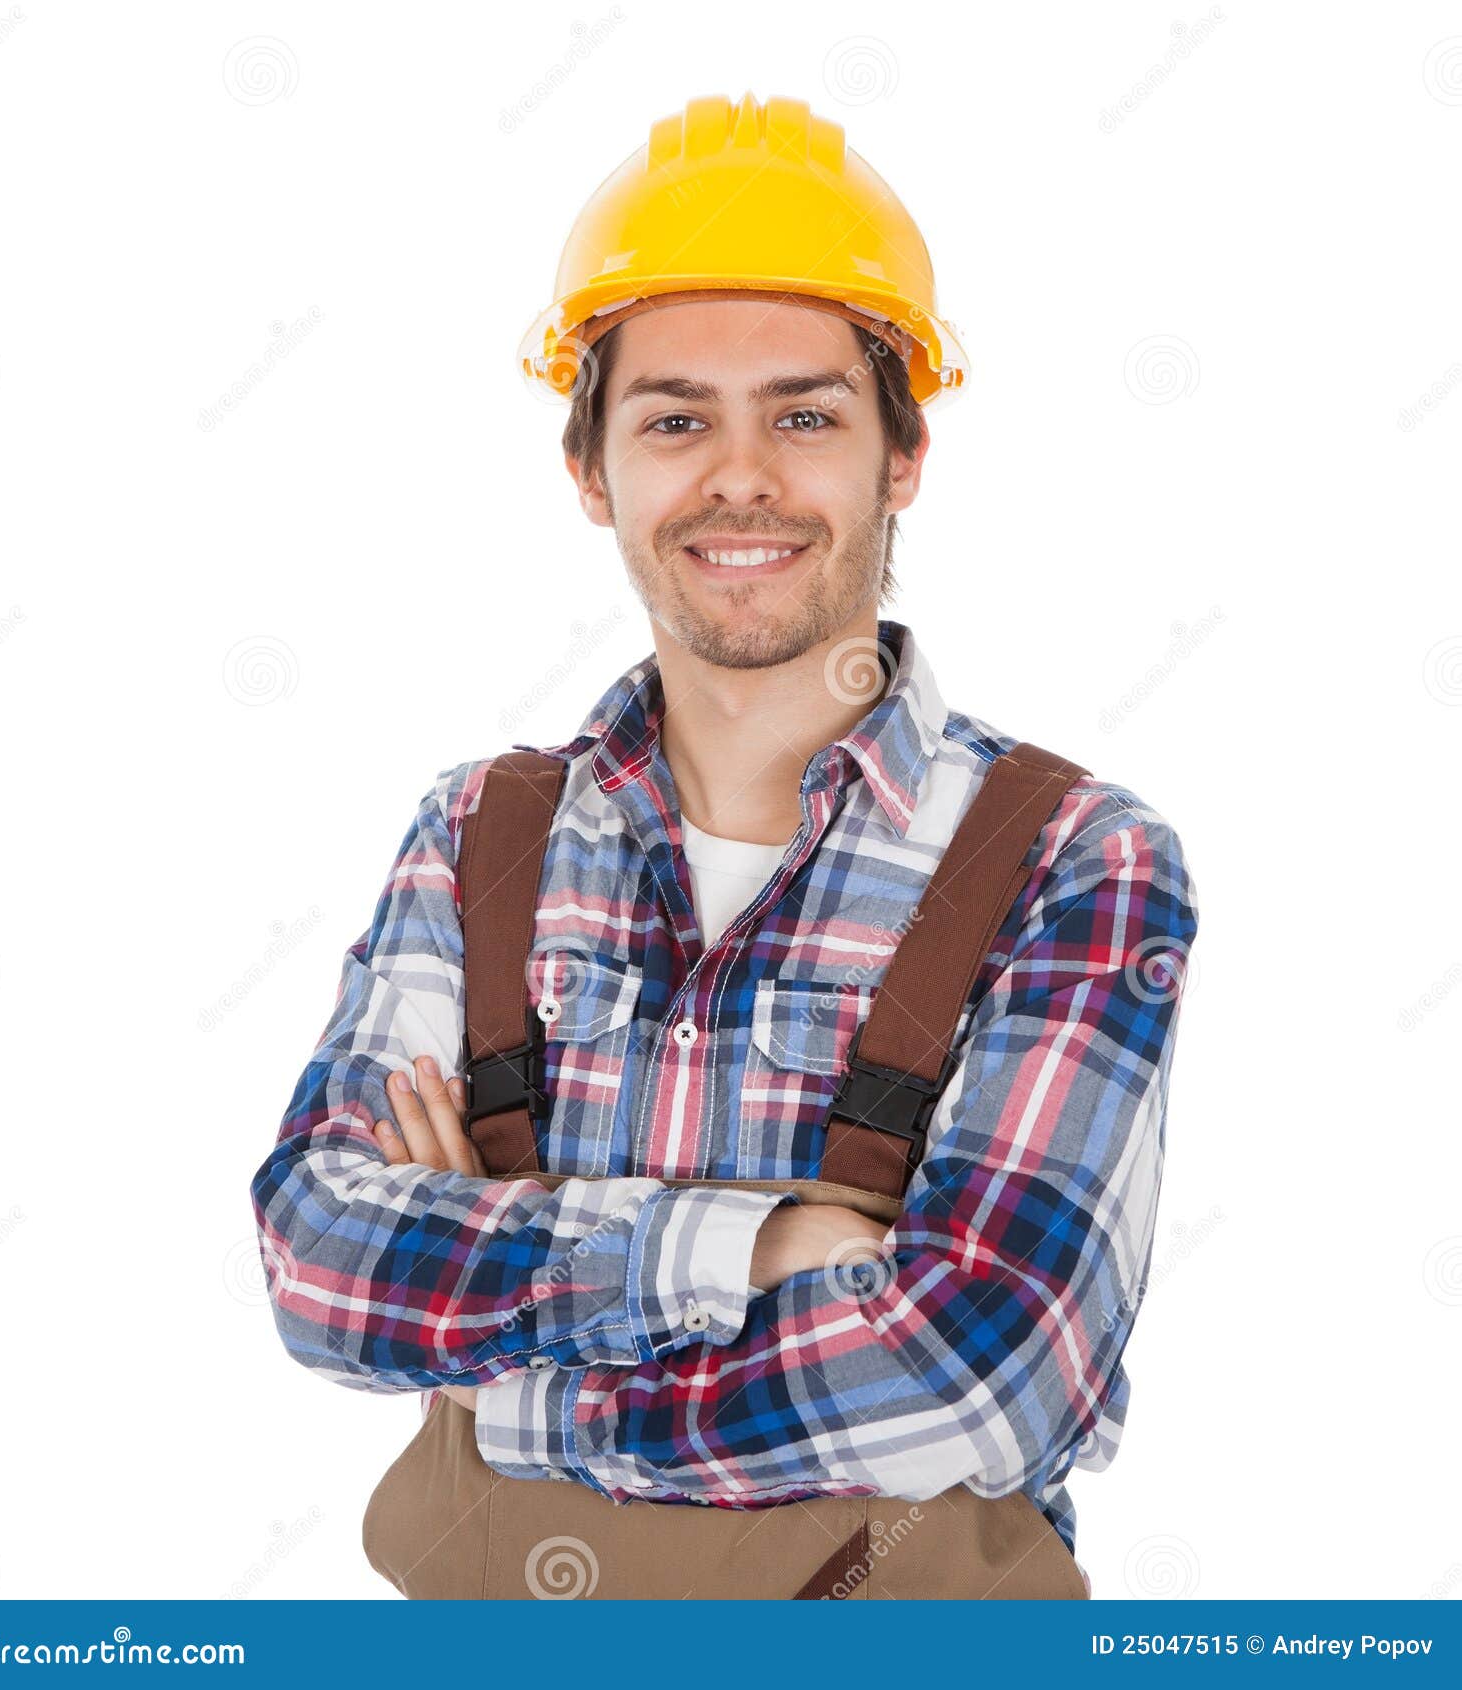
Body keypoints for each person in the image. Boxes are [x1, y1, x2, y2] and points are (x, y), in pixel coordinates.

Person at [249, 90, 1199, 1579]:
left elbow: (976, 1371)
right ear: (591, 470)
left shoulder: (1069, 858)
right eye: (675, 417)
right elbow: (320, 1261)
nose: (740, 476)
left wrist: (515, 1339)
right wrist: (755, 1249)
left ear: (902, 456)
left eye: (806, 414)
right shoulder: (476, 834)